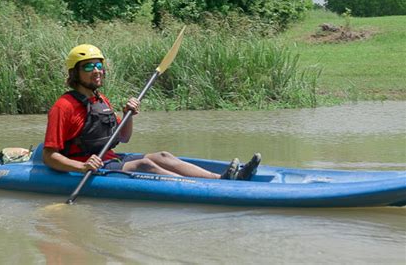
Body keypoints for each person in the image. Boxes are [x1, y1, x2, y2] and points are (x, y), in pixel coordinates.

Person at [43, 44, 261, 180]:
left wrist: (128, 114)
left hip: (110, 157)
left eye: (99, 65)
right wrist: (82, 166)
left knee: (162, 156)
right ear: (75, 73)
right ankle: (200, 186)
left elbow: (124, 137)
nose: (97, 71)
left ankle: (221, 178)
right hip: (91, 165)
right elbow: (49, 156)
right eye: (89, 67)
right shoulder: (64, 107)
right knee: (145, 165)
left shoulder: (100, 100)